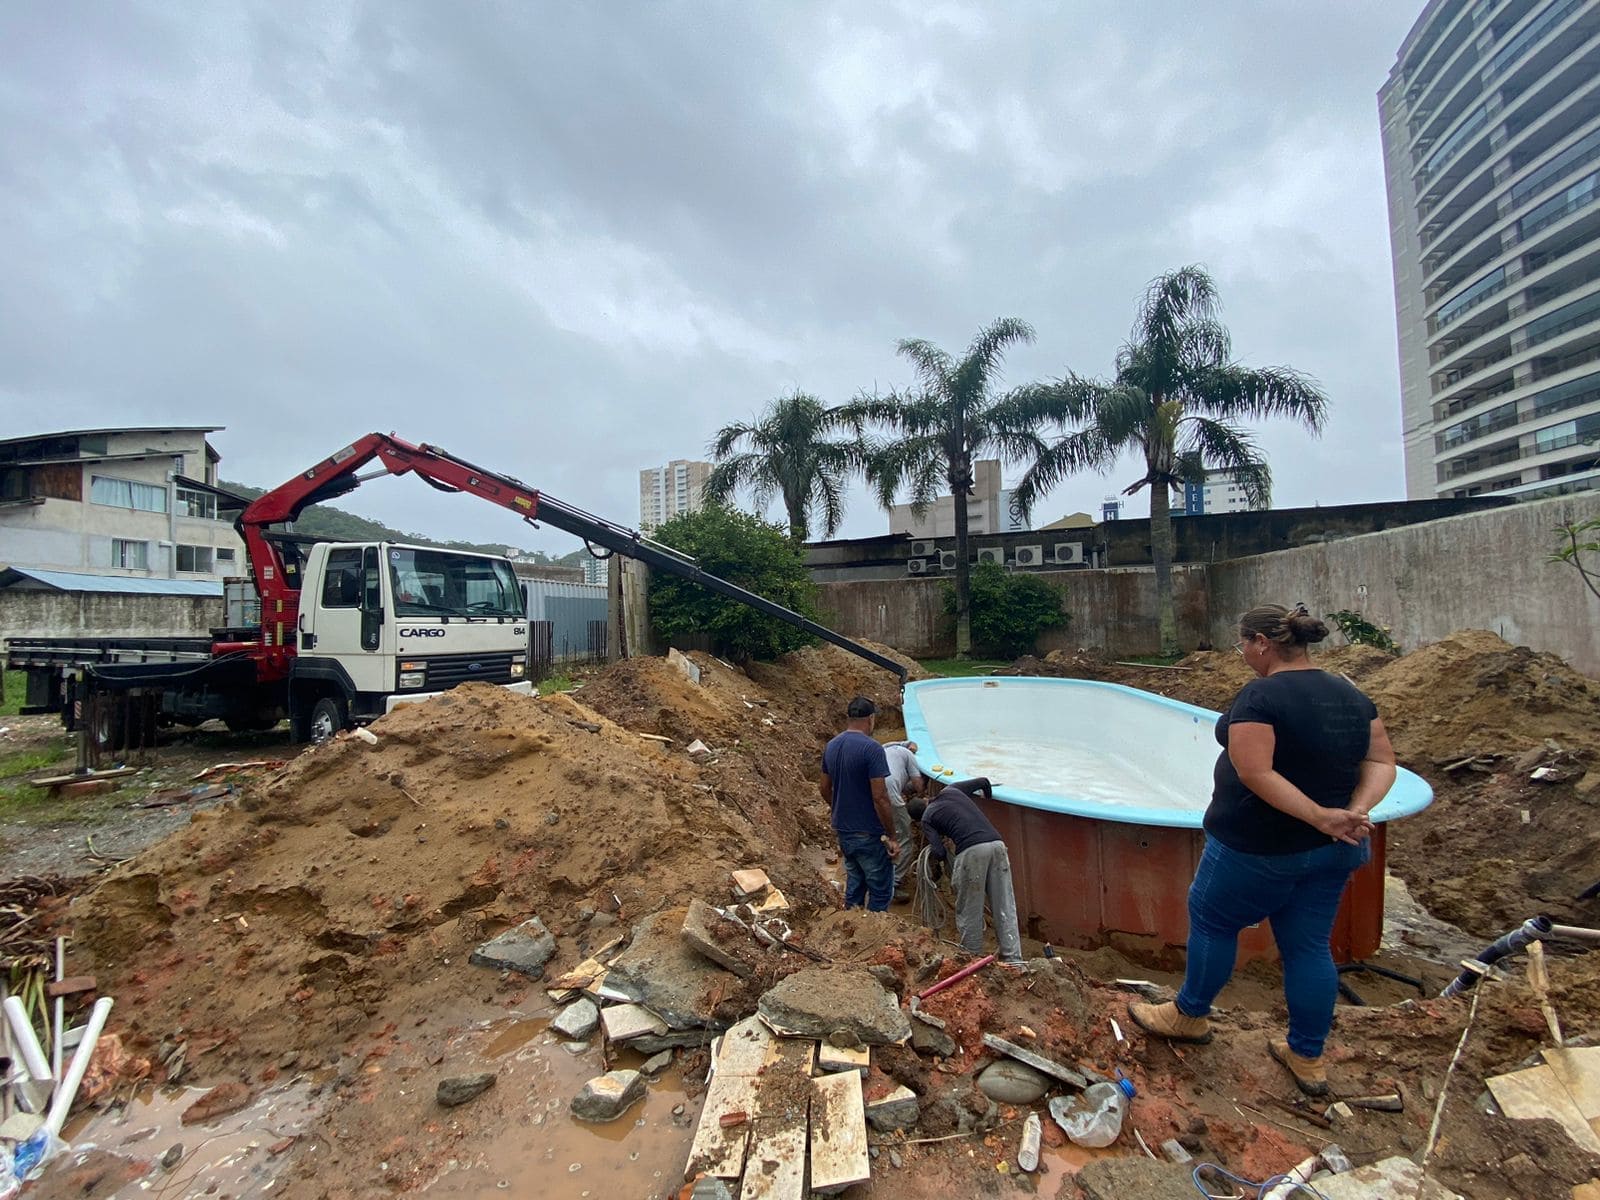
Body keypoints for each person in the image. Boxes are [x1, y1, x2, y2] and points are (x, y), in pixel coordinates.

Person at [1128, 604, 1398, 1097]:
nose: (1243, 655)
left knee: (1213, 922)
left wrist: (1321, 814)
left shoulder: (1262, 696)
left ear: (1261, 644)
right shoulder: (1350, 693)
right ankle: (1307, 1055)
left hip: (1259, 848)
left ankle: (1188, 1016)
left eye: (1243, 646)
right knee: (1309, 946)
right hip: (1333, 850)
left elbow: (1255, 771)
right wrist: (1352, 812)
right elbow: (1382, 759)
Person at [907, 780, 1024, 966]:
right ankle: (1014, 960)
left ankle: (972, 960)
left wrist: (942, 841)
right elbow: (984, 782)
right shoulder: (951, 790)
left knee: (970, 909)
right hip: (997, 844)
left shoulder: (927, 817)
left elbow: (938, 852)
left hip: (971, 853)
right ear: (924, 799)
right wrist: (988, 797)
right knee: (1004, 905)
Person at [819, 696, 900, 911]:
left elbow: (824, 788)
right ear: (871, 719)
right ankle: (873, 937)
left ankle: (852, 930)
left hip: (844, 830)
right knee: (881, 891)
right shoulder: (872, 749)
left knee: (855, 885)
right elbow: (880, 797)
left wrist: (838, 807)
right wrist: (892, 835)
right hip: (868, 833)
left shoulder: (832, 746)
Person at [882, 740, 924, 896]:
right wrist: (921, 800)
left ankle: (879, 876)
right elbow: (918, 785)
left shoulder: (885, 749)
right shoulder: (908, 755)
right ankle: (894, 882)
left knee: (882, 835)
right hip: (890, 796)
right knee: (905, 838)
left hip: (871, 792)